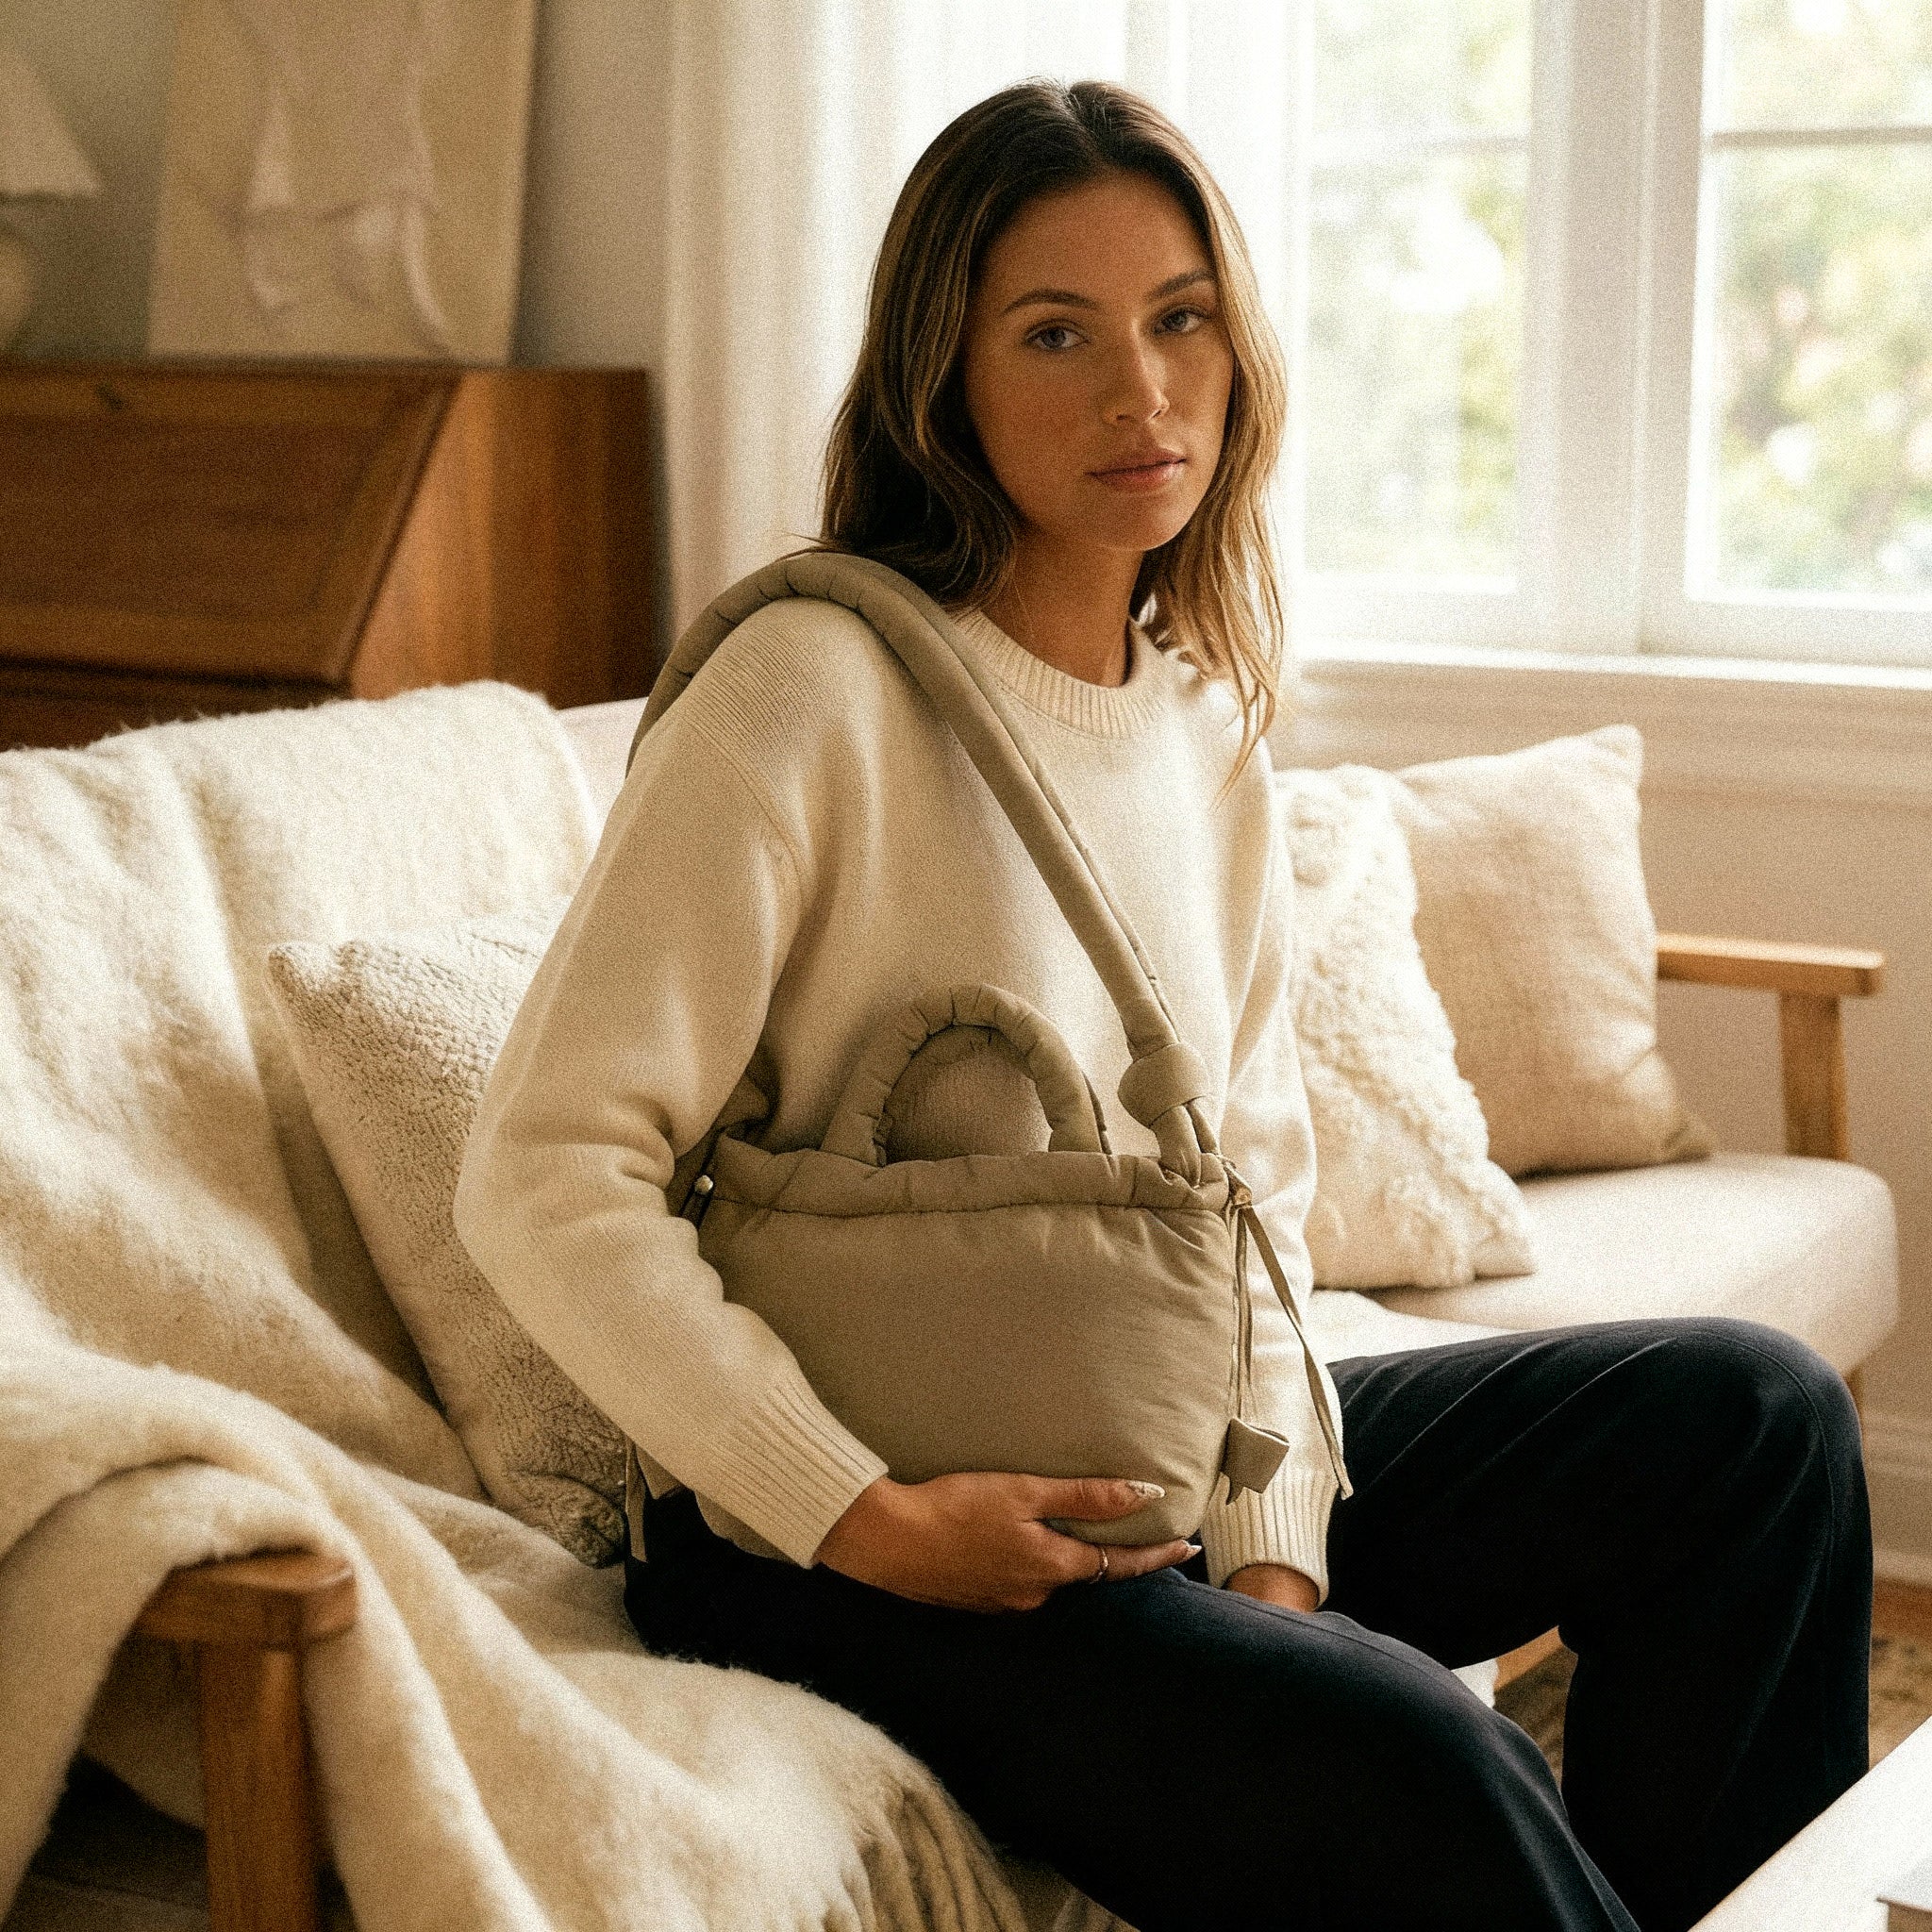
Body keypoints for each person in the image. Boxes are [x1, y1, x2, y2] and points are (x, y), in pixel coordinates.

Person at [453, 78, 1871, 1932]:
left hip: (1142, 1476)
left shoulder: (1198, 725)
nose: (1140, 389)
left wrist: (1276, 1555)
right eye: (1056, 332)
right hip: (829, 1544)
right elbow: (541, 1168)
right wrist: (864, 1512)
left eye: (1177, 317)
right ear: (936, 379)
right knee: (1416, 1752)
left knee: (1745, 1422)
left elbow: (1251, 1200)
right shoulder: (805, 688)